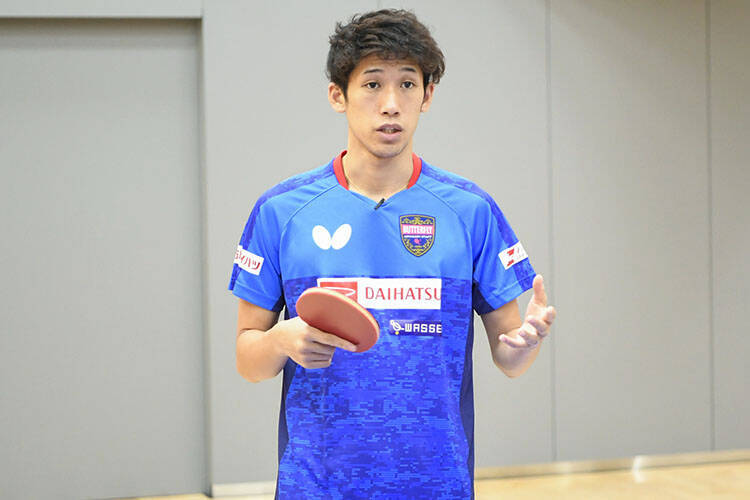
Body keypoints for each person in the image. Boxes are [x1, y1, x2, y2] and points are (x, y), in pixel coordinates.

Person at [229, 8, 556, 499]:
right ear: (337, 95)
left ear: (427, 96)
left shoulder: (470, 210)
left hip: (437, 484)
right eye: (372, 84)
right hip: (316, 485)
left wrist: (525, 344)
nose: (390, 104)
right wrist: (280, 341)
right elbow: (247, 360)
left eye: (407, 84)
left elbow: (509, 357)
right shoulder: (281, 211)